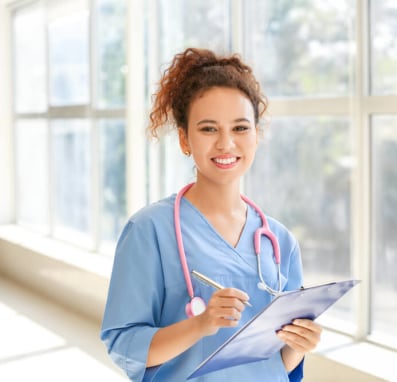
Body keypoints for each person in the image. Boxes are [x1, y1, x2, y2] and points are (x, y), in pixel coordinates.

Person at [100, 47, 322, 382]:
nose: (226, 143)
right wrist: (200, 325)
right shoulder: (149, 230)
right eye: (208, 129)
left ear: (257, 135)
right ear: (184, 139)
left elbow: (276, 366)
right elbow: (123, 345)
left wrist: (299, 345)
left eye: (240, 128)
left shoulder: (280, 241)